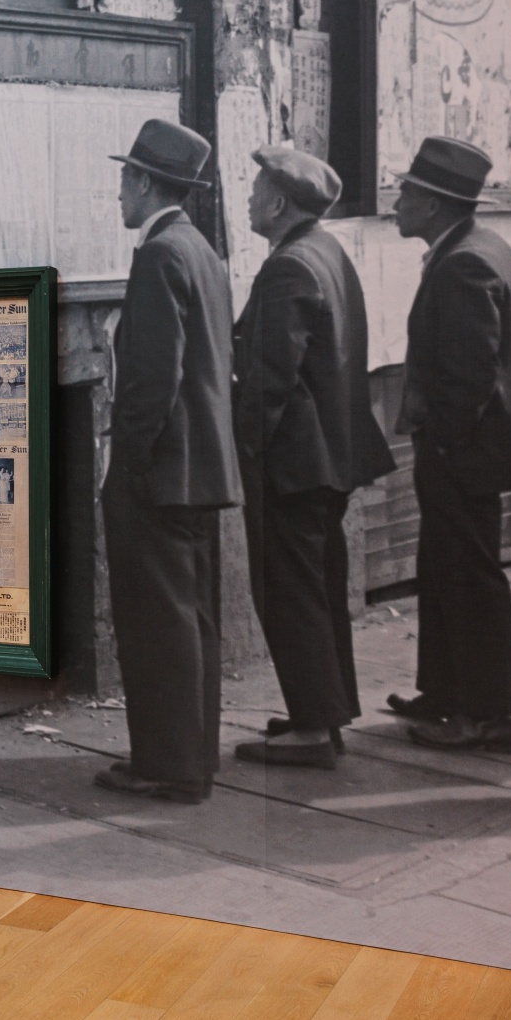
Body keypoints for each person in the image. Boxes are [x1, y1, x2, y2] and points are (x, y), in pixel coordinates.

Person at [230, 147, 395, 770]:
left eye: (254, 190)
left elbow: (269, 379)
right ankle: (321, 712)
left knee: (291, 592)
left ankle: (313, 729)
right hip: (330, 458)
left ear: (277, 202)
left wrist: (244, 451)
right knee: (320, 589)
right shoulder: (326, 251)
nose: (247, 199)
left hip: (295, 464)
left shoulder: (288, 268)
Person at [96, 118, 242, 805]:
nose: (118, 192)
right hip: (202, 466)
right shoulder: (201, 251)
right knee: (192, 619)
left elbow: (153, 378)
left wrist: (127, 463)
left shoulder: (158, 256)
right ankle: (192, 757)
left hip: (163, 470)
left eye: (125, 179)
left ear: (147, 183)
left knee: (159, 623)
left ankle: (168, 765)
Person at [388, 137, 511, 753]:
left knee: (468, 575)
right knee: (445, 566)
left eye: (404, 193)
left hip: (465, 452)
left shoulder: (464, 263)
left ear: (431, 205)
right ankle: (447, 692)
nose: (396, 202)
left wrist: (445, 447)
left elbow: (469, 375)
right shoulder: (476, 247)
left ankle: (489, 715)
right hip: (470, 448)